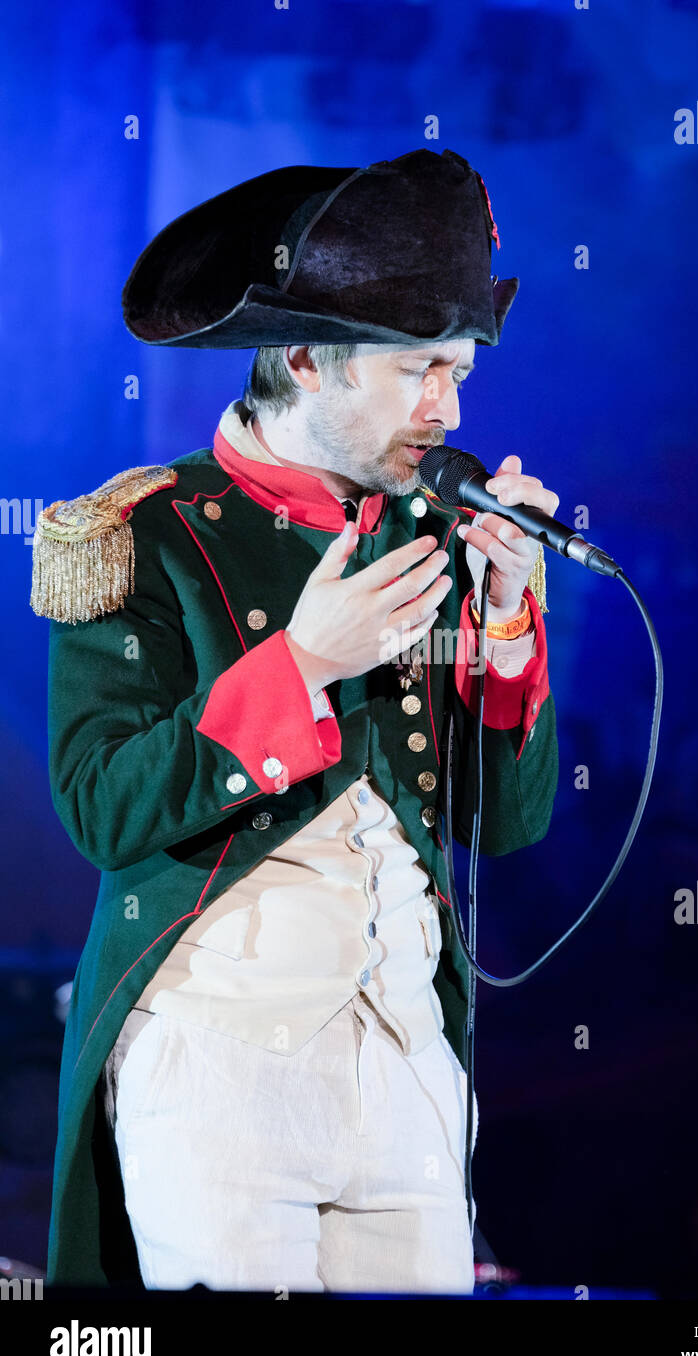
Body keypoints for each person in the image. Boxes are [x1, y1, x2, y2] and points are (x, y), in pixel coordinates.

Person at [31, 147, 559, 1293]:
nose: (449, 408)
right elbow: (101, 807)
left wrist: (508, 622)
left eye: (459, 372)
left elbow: (506, 827)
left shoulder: (432, 534)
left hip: (409, 1060)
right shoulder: (147, 535)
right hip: (218, 1063)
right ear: (309, 359)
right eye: (421, 369)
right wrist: (305, 663)